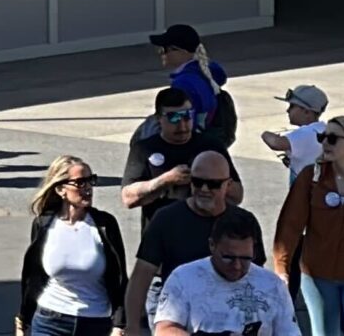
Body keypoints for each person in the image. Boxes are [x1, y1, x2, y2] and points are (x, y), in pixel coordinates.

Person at [127, 151, 256, 334]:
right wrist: (131, 324)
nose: (204, 189)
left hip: (229, 316)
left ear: (228, 185)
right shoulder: (167, 219)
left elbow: (256, 276)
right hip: (179, 314)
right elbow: (142, 275)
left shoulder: (243, 221)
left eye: (213, 184)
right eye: (197, 182)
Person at [16, 155, 127, 336]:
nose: (88, 188)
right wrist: (23, 321)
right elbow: (33, 277)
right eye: (80, 183)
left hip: (95, 322)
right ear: (60, 189)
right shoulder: (43, 224)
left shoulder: (104, 225)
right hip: (49, 321)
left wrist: (119, 325)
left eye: (90, 181)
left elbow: (120, 278)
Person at [275, 114, 344, 336]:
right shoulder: (311, 177)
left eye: (332, 138)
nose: (324, 143)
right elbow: (290, 226)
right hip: (317, 275)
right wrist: (282, 269)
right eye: (322, 137)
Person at [152, 207, 299, 335]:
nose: (237, 266)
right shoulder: (183, 278)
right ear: (212, 245)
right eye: (228, 258)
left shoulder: (273, 286)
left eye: (245, 258)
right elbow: (164, 330)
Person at [125, 88, 241, 232]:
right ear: (158, 118)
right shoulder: (144, 148)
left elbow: (237, 196)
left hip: (205, 235)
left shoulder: (211, 146)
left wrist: (211, 180)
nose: (182, 125)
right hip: (161, 236)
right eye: (173, 117)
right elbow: (128, 198)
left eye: (187, 116)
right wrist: (166, 180)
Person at [151, 24, 234, 148]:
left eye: (164, 49)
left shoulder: (184, 82)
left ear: (180, 51)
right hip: (210, 139)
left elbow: (185, 119)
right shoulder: (204, 73)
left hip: (195, 146)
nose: (161, 53)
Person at [263, 84, 333, 171]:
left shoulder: (308, 132)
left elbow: (275, 143)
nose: (287, 110)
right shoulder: (323, 128)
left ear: (307, 112)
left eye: (292, 106)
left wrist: (265, 134)